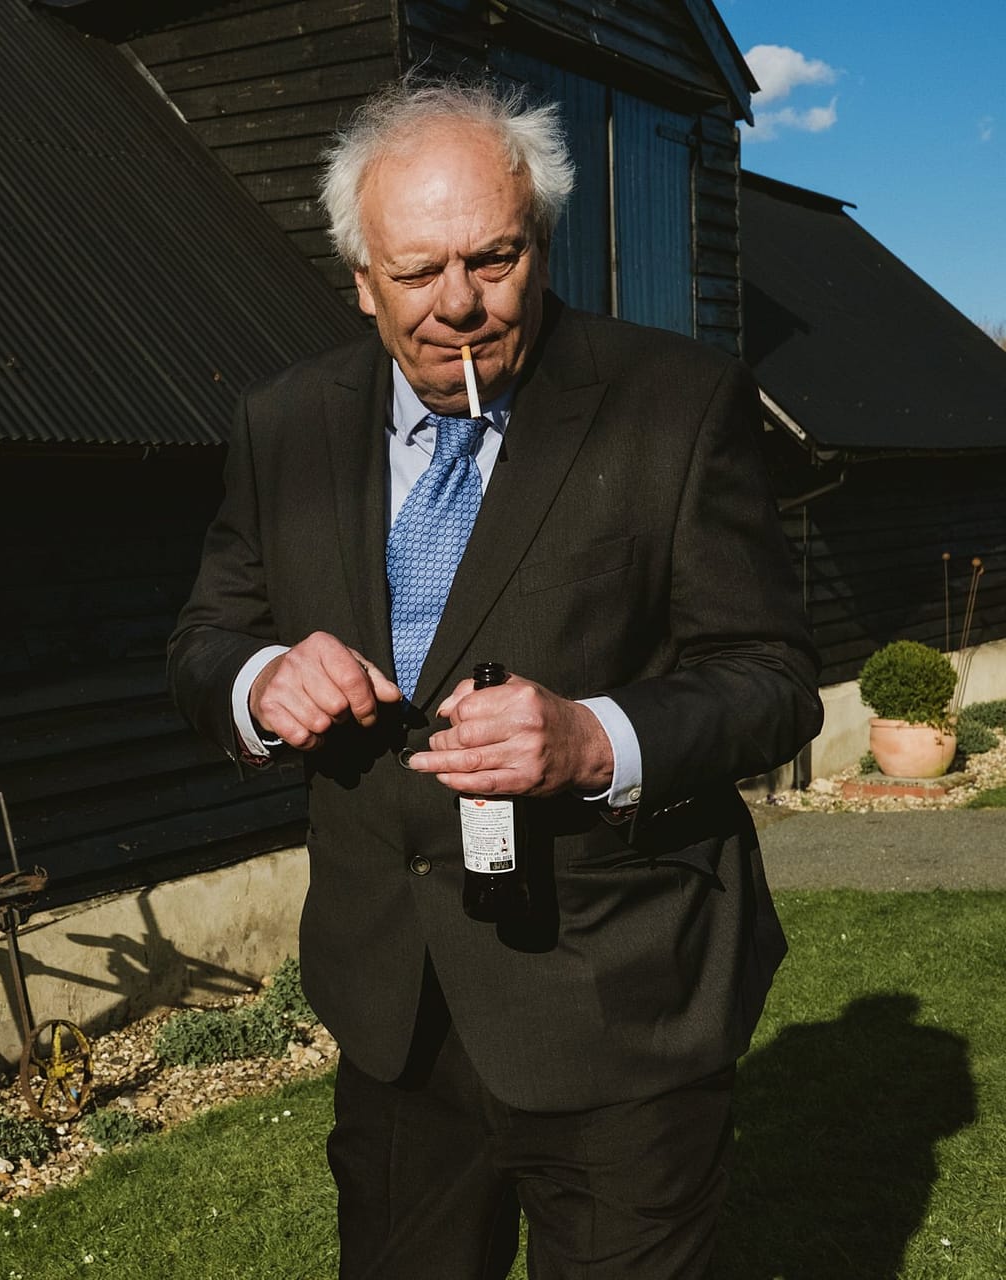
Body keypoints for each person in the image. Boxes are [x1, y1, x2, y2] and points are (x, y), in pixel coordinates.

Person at [167, 77, 821, 1279]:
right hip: (395, 1014)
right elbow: (208, 632)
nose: (457, 307)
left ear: (541, 246)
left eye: (494, 259)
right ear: (361, 280)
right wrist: (262, 676)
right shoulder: (285, 423)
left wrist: (594, 740)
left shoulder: (675, 405)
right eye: (416, 273)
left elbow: (772, 675)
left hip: (618, 1004)